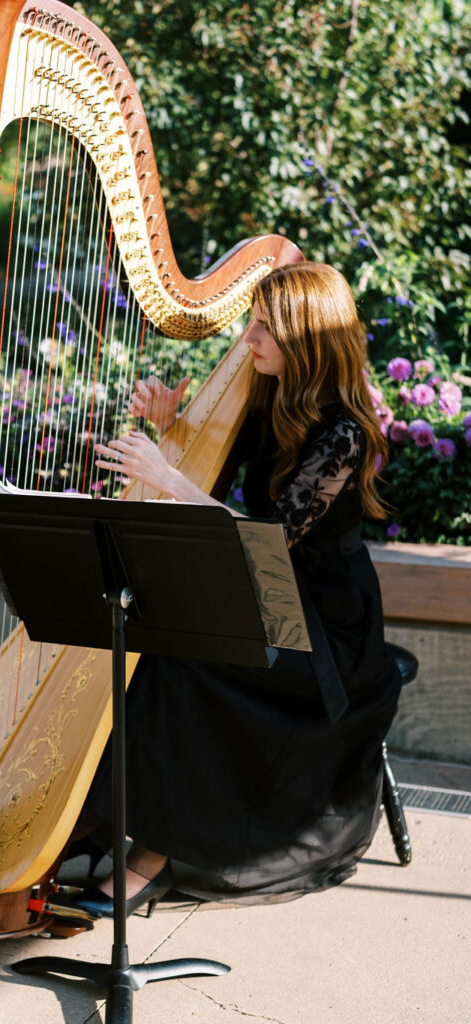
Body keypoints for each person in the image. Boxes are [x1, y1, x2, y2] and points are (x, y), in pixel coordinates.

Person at [71, 260, 403, 918]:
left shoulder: (343, 434)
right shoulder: (272, 396)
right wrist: (175, 427)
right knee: (144, 634)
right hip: (270, 591)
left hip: (323, 628)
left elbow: (267, 538)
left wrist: (167, 477)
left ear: (307, 340)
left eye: (262, 330)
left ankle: (154, 856)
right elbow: (216, 485)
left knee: (185, 662)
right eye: (249, 324)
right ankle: (97, 820)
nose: (247, 342)